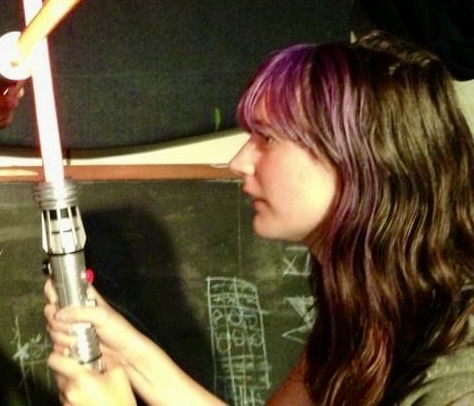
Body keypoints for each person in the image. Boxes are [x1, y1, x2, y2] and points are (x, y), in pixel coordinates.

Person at [43, 30, 474, 405]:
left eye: (267, 137)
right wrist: (134, 356)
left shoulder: (457, 382)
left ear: (362, 159)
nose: (238, 161)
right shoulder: (363, 310)